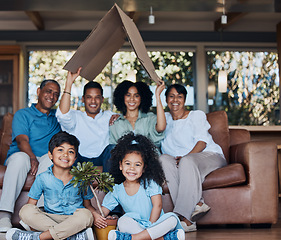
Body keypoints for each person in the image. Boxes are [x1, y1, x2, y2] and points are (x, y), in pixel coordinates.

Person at [159, 84, 227, 232]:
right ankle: (196, 206)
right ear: (166, 99)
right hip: (180, 161)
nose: (175, 99)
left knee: (187, 162)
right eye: (171, 96)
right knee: (163, 159)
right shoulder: (164, 120)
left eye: (179, 96)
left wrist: (185, 157)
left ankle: (186, 220)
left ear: (184, 100)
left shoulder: (196, 115)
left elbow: (202, 142)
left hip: (209, 156)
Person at [93, 132, 185, 240]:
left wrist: (151, 226)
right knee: (122, 222)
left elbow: (158, 205)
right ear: (120, 165)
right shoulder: (117, 190)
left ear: (144, 168)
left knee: (172, 220)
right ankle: (162, 238)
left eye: (137, 165)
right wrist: (97, 216)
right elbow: (104, 210)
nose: (132, 168)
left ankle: (133, 238)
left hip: (156, 223)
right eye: (127, 163)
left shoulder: (150, 183)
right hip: (138, 225)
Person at [6, 131, 96, 240]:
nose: (65, 155)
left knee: (86, 215)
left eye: (71, 152)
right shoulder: (42, 178)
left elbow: (88, 206)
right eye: (60, 150)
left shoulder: (81, 178)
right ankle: (72, 236)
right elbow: (31, 205)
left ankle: (39, 237)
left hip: (74, 219)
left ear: (75, 158)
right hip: (50, 218)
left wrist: (97, 215)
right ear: (50, 155)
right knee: (26, 211)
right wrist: (31, 220)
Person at [0, 79, 62, 232]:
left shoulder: (57, 118)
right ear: (39, 92)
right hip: (23, 155)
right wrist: (32, 157)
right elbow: (22, 140)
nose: (52, 96)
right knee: (21, 158)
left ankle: (35, 217)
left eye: (56, 94)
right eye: (48, 91)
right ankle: (4, 215)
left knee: (52, 159)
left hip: (45, 157)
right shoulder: (23, 114)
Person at [56, 67, 116, 172]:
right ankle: (73, 188)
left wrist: (120, 118)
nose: (93, 101)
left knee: (112, 149)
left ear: (102, 99)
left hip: (103, 158)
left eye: (97, 97)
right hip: (79, 159)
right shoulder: (75, 116)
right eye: (89, 97)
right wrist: (69, 84)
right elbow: (63, 115)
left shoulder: (110, 116)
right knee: (70, 150)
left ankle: (108, 188)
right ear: (83, 99)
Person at [109, 80, 166, 148]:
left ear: (142, 98)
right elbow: (113, 149)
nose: (132, 99)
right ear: (122, 97)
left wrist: (158, 96)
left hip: (149, 157)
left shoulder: (149, 118)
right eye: (128, 95)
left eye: (136, 96)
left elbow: (161, 127)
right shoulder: (116, 122)